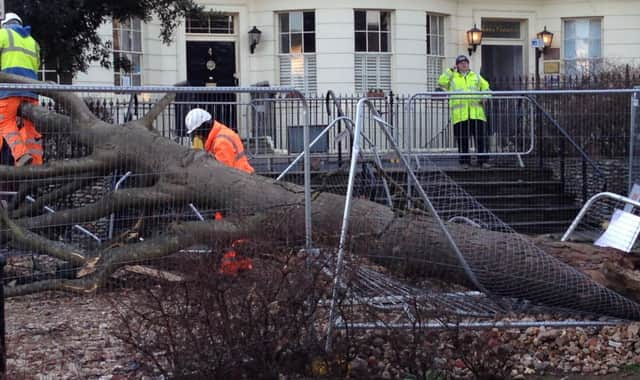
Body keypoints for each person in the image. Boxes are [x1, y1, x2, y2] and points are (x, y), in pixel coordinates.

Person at [0, 12, 43, 167]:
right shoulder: (33, 41)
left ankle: (20, 154)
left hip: (9, 89)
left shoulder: (3, 34)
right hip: (31, 90)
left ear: (5, 23)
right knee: (31, 128)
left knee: (4, 121)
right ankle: (37, 164)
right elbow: (36, 65)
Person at [438, 55, 491, 169]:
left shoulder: (476, 76)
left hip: (476, 113)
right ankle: (464, 162)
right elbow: (441, 82)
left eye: (465, 62)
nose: (464, 64)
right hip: (460, 115)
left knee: (481, 138)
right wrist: (450, 70)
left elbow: (486, 87)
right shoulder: (452, 77)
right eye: (461, 63)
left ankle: (483, 161)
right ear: (457, 65)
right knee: (463, 139)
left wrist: (485, 96)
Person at [184, 108, 254, 174]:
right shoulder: (218, 135)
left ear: (204, 127)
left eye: (197, 133)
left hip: (242, 178)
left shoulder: (221, 142)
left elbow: (222, 172)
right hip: (241, 176)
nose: (198, 137)